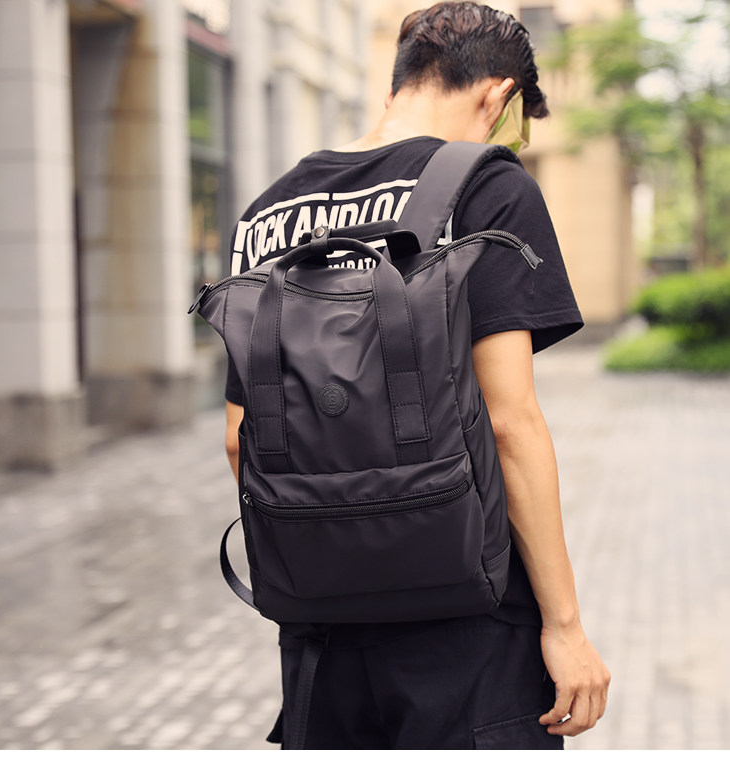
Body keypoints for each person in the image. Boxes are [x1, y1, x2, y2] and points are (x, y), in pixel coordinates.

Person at [222, 2, 610, 749]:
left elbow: (242, 440)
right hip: (468, 620)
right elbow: (508, 422)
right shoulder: (488, 188)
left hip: (321, 631)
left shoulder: (267, 212)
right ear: (498, 96)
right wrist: (564, 626)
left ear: (398, 82)